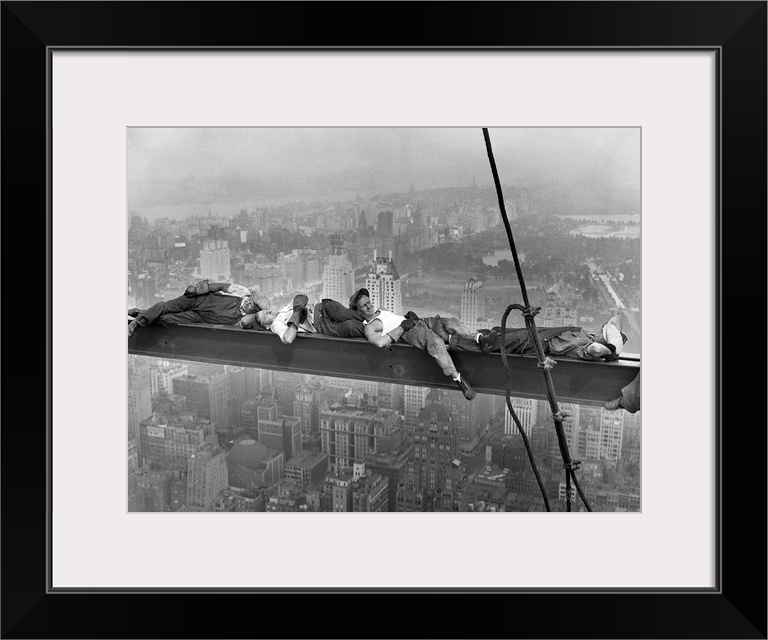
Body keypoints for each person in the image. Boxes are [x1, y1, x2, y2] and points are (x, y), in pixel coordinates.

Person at [347, 288, 495, 401]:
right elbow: (379, 343)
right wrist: (402, 327)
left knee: (451, 323)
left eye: (368, 302)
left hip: (418, 322)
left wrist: (406, 317)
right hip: (409, 332)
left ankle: (480, 339)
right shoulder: (369, 326)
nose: (369, 306)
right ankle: (459, 379)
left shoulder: (381, 310)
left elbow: (394, 319)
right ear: (359, 312)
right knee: (436, 343)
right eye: (364, 306)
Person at [450, 314, 628, 361]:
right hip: (539, 334)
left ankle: (458, 341)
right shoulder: (588, 335)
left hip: (537, 345)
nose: (600, 328)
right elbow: (617, 318)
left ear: (602, 340)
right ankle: (477, 337)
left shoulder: (587, 348)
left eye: (602, 332)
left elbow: (597, 350)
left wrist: (611, 351)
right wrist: (613, 338)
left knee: (501, 343)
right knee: (499, 331)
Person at [127, 280, 270, 337]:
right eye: (249, 300)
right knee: (165, 306)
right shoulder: (240, 291)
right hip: (199, 300)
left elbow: (251, 324)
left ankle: (139, 313)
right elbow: (218, 286)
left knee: (166, 318)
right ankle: (134, 324)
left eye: (251, 305)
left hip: (200, 318)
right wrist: (196, 289)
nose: (248, 303)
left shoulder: (246, 318)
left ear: (256, 311)